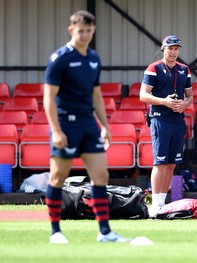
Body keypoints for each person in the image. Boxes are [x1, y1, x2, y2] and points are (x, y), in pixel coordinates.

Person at [43, 10, 130, 244]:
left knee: (101, 175)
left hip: (88, 125)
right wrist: (57, 130)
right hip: (65, 124)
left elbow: (96, 95)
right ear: (71, 30)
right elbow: (48, 98)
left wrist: (105, 125)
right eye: (81, 31)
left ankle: (105, 232)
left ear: (93, 31)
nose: (85, 35)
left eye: (89, 31)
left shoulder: (94, 58)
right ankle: (55, 232)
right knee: (58, 176)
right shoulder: (60, 58)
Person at [140, 35, 193, 217]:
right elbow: (143, 96)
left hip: (178, 120)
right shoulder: (153, 68)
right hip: (160, 119)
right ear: (163, 49)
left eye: (176, 49)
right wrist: (165, 102)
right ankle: (154, 204)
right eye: (170, 48)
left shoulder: (184, 70)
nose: (173, 52)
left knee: (171, 165)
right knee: (160, 163)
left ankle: (162, 204)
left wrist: (184, 105)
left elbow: (190, 96)